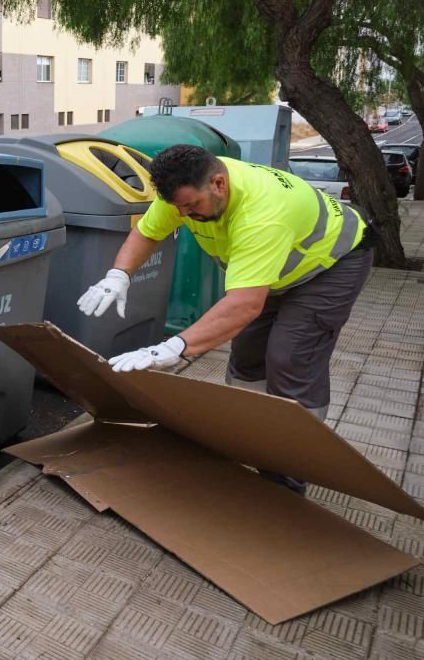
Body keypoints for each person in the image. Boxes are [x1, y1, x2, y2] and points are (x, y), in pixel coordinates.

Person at [77, 144, 375, 493]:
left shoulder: (262, 213)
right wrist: (119, 275)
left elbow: (245, 305)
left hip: (331, 267)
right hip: (276, 271)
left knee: (289, 358)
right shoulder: (185, 190)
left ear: (218, 184)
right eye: (178, 208)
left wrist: (176, 348)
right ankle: (251, 438)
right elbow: (148, 231)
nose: (185, 215)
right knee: (247, 354)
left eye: (192, 206)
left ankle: (290, 471)